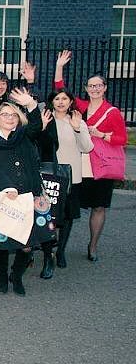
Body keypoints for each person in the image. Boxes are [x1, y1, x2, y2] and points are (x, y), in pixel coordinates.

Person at [53, 50, 127, 262]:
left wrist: (102, 134)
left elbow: (122, 139)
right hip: (78, 165)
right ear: (86, 89)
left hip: (100, 165)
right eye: (91, 86)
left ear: (104, 88)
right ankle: (59, 246)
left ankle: (92, 245)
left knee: (98, 206)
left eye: (98, 85)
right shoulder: (81, 107)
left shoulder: (112, 112)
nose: (94, 89)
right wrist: (59, 66)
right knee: (65, 206)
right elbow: (60, 90)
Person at [0, 92, 44, 296]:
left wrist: (32, 104)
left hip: (28, 195)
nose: (9, 118)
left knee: (26, 244)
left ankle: (16, 276)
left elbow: (36, 125)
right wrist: (8, 186)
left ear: (18, 119)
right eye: (4, 114)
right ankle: (1, 277)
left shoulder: (25, 135)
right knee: (1, 241)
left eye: (13, 115)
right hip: (3, 195)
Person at [38, 88, 93, 274]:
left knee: (67, 216)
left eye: (64, 99)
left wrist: (78, 128)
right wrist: (43, 127)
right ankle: (47, 252)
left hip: (71, 177)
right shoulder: (45, 118)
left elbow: (87, 147)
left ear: (70, 102)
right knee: (47, 215)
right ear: (52, 101)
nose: (61, 102)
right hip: (49, 176)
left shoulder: (77, 121)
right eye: (57, 98)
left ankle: (60, 250)